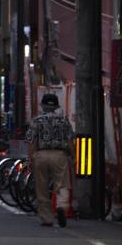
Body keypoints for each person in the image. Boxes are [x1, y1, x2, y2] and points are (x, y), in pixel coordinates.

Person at [25, 93, 74, 227]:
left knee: (42, 186)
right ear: (56, 106)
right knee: (62, 183)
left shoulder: (36, 121)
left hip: (41, 155)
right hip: (59, 155)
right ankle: (62, 206)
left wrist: (31, 159)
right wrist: (73, 155)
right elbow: (70, 140)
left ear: (43, 106)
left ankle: (46, 218)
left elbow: (30, 141)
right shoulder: (63, 121)